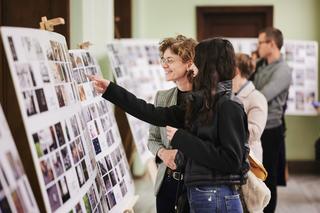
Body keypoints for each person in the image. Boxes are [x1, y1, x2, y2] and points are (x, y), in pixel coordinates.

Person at [90, 37, 249, 213]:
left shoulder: (228, 105)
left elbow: (232, 161)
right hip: (201, 193)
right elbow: (152, 113)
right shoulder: (202, 102)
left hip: (216, 196)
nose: (193, 69)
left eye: (197, 63)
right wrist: (111, 90)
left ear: (207, 66)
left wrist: (183, 140)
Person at [148, 35, 197, 213]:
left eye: (170, 60)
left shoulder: (206, 100)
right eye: (163, 59)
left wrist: (184, 153)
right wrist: (163, 153)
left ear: (189, 63)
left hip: (195, 187)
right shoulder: (162, 97)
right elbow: (152, 139)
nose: (164, 65)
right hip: (167, 184)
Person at [253, 27, 292, 213]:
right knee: (256, 175)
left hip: (270, 129)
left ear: (272, 44)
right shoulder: (260, 65)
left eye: (261, 42)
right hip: (255, 127)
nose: (258, 46)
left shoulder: (283, 70)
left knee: (269, 176)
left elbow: (261, 96)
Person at [232, 53, 267, 162]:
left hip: (250, 158)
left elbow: (255, 132)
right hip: (232, 155)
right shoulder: (230, 95)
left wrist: (226, 126)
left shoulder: (257, 97)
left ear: (236, 70)